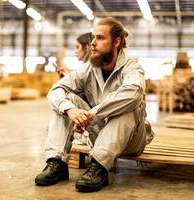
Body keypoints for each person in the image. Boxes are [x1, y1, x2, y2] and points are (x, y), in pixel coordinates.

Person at [35, 17, 154, 192]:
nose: (92, 43)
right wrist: (71, 110)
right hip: (100, 134)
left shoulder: (132, 67)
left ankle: (99, 166)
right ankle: (57, 162)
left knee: (128, 104)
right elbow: (56, 89)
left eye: (100, 38)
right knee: (64, 101)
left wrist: (92, 114)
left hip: (131, 140)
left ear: (116, 42)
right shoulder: (90, 68)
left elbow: (134, 93)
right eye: (93, 37)